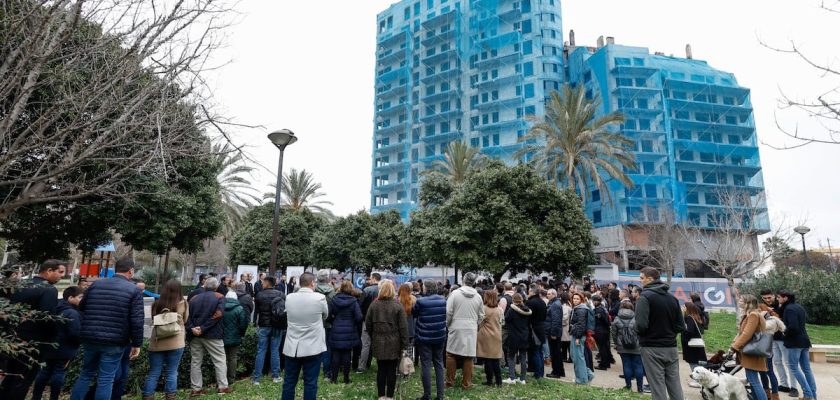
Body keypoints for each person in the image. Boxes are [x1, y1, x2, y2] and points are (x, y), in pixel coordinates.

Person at [68, 258, 143, 400]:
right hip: (114, 340)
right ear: (131, 271)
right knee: (106, 378)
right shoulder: (134, 290)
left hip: (90, 337)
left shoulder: (96, 285)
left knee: (86, 374)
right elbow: (137, 321)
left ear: (116, 269)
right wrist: (137, 344)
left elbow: (82, 306)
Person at [0, 259, 64, 400]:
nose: (62, 276)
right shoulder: (48, 289)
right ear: (49, 271)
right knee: (22, 381)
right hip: (34, 342)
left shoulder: (23, 284)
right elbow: (47, 317)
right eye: (60, 272)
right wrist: (55, 336)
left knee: (11, 378)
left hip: (13, 339)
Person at [634, 267, 685, 400]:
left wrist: (641, 333)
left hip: (651, 348)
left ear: (650, 279)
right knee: (675, 385)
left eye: (641, 278)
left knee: (657, 388)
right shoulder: (672, 298)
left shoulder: (644, 297)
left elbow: (640, 325)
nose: (640, 281)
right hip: (671, 347)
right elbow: (680, 326)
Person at [282, 272, 328, 400]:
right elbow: (325, 315)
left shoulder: (289, 297)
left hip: (292, 346)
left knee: (289, 382)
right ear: (312, 283)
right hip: (313, 347)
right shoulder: (320, 298)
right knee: (310, 383)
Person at [32, 285, 82, 400]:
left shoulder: (55, 308)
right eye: (79, 297)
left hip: (50, 346)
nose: (82, 300)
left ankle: (36, 396)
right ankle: (54, 397)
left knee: (44, 372)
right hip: (64, 348)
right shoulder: (72, 313)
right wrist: (77, 343)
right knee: (58, 373)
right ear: (70, 298)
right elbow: (74, 333)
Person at [141, 279, 188, 400]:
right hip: (176, 342)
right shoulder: (183, 303)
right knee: (172, 372)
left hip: (157, 342)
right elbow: (186, 320)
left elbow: (153, 319)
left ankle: (147, 396)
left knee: (154, 372)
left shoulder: (156, 304)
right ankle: (171, 396)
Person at [185, 277, 231, 395]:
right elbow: (218, 314)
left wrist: (192, 328)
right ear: (216, 287)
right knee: (219, 361)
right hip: (213, 334)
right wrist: (203, 328)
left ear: (205, 286)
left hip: (195, 335)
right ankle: (222, 387)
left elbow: (186, 316)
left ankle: (196, 389)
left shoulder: (194, 298)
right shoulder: (220, 297)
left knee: (195, 362)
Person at [366, 280, 409, 400]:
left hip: (378, 340)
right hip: (394, 342)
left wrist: (374, 335)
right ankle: (389, 396)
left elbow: (368, 324)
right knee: (391, 370)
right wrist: (405, 344)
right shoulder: (397, 306)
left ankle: (381, 395)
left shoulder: (374, 305)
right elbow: (403, 327)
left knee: (381, 369)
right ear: (392, 291)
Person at [444, 272, 485, 390]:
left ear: (463, 280)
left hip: (456, 326)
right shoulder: (478, 296)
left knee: (451, 355)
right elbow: (482, 315)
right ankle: (466, 384)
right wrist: (474, 324)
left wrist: (448, 324)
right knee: (468, 357)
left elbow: (449, 312)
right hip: (471, 328)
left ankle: (449, 383)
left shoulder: (455, 294)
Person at [778, 290, 817, 400]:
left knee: (793, 368)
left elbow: (793, 327)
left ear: (785, 298)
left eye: (779, 297)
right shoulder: (798, 307)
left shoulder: (789, 309)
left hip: (794, 343)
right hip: (804, 341)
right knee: (806, 369)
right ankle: (812, 394)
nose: (777, 299)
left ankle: (808, 394)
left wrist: (784, 333)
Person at [730, 295, 769, 400]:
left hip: (752, 352)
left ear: (748, 303)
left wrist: (734, 347)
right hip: (752, 351)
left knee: (754, 381)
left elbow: (746, 334)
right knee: (752, 380)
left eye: (741, 300)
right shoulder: (753, 314)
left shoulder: (753, 315)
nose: (739, 301)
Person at [413, 280, 447, 400]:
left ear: (426, 288)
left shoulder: (421, 301)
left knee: (426, 365)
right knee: (439, 364)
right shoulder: (443, 300)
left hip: (424, 337)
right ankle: (440, 396)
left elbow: (414, 313)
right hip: (439, 336)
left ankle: (427, 395)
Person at [328, 280, 362, 384]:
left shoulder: (334, 300)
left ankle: (333, 379)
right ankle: (346, 379)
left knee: (336, 354)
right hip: (349, 330)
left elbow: (328, 316)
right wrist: (353, 322)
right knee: (347, 354)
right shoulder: (353, 301)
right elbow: (359, 317)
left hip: (336, 329)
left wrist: (334, 321)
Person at [253, 276, 284, 384]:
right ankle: (275, 376)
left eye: (263, 282)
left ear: (266, 283)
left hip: (263, 325)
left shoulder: (259, 295)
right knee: (275, 351)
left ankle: (256, 378)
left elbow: (256, 312)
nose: (262, 284)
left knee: (261, 351)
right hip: (276, 325)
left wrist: (255, 323)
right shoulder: (280, 294)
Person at [766, 290, 797, 398]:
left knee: (789, 363)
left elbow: (787, 323)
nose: (767, 300)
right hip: (773, 338)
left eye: (769, 298)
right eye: (764, 298)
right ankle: (784, 384)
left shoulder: (785, 307)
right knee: (777, 362)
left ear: (775, 297)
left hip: (783, 339)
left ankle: (794, 387)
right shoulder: (767, 307)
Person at [612, 301, 644, 392]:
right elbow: (641, 331)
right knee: (638, 366)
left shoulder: (617, 319)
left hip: (622, 346)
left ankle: (628, 386)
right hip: (636, 345)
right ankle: (640, 388)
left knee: (626, 365)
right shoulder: (637, 318)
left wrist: (616, 343)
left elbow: (614, 333)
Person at [222, 282, 250, 384]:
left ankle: (221, 380)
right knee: (232, 358)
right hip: (235, 337)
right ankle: (231, 379)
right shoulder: (239, 308)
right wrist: (241, 334)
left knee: (222, 359)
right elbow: (243, 324)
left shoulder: (221, 308)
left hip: (221, 337)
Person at [503, 293, 531, 384]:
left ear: (513, 300)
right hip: (524, 336)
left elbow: (506, 319)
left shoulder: (512, 310)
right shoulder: (527, 310)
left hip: (514, 336)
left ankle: (512, 378)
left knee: (511, 356)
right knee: (523, 357)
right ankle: (522, 379)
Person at [477, 289, 503, 387]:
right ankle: (499, 381)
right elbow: (502, 322)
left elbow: (479, 322)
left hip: (486, 335)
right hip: (497, 335)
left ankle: (489, 380)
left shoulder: (483, 309)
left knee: (487, 359)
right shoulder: (499, 309)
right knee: (495, 359)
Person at [357, 272, 381, 372]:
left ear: (374, 278)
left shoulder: (367, 290)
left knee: (365, 344)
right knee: (379, 343)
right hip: (380, 320)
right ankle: (381, 366)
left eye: (370, 278)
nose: (369, 280)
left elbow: (360, 305)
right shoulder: (383, 290)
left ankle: (362, 366)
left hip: (367, 320)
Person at [315, 269, 337, 380]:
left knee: (312, 346)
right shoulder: (333, 291)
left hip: (314, 322)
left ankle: (308, 372)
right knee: (327, 348)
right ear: (327, 278)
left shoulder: (313, 290)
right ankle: (327, 374)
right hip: (328, 323)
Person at [569, 292, 594, 385]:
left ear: (581, 300)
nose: (575, 300)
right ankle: (588, 375)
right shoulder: (579, 308)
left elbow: (581, 325)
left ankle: (582, 380)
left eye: (577, 299)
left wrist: (578, 337)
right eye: (574, 298)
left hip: (578, 336)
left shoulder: (581, 309)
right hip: (577, 335)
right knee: (576, 357)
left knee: (578, 358)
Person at [682, 301, 707, 389]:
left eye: (684, 307)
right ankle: (700, 380)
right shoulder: (696, 317)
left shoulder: (689, 318)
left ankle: (697, 381)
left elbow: (690, 331)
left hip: (691, 345)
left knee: (693, 362)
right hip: (697, 345)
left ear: (688, 309)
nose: (683, 308)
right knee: (697, 362)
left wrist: (683, 331)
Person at [525, 284, 547, 379]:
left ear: (533, 292)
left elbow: (527, 317)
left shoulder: (531, 302)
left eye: (529, 291)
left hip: (534, 330)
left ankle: (538, 374)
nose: (528, 293)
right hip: (541, 328)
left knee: (535, 352)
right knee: (539, 352)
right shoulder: (542, 302)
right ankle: (540, 372)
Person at [546, 289, 565, 378]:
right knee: (556, 352)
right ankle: (560, 371)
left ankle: (556, 372)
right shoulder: (554, 303)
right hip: (553, 331)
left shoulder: (555, 304)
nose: (547, 295)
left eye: (549, 294)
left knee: (555, 353)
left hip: (554, 332)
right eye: (547, 294)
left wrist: (553, 333)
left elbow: (556, 320)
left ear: (554, 294)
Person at [592, 294, 613, 370]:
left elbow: (604, 320)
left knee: (602, 348)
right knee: (605, 347)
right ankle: (606, 363)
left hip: (600, 331)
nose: (593, 302)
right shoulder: (602, 308)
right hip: (604, 330)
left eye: (594, 301)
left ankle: (603, 364)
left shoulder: (598, 310)